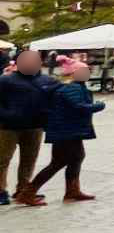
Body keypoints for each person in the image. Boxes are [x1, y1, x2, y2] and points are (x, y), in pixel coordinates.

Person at [24, 57, 105, 203]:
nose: (87, 73)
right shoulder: (71, 87)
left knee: (77, 157)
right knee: (58, 162)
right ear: (73, 73)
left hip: (69, 129)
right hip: (65, 130)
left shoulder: (76, 86)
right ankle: (28, 192)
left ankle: (72, 191)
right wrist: (99, 105)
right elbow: (79, 106)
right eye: (83, 70)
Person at [0, 48, 59, 204]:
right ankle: (1, 191)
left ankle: (23, 190)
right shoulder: (6, 80)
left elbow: (56, 101)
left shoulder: (49, 81)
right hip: (8, 127)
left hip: (35, 127)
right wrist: (6, 115)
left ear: (40, 63)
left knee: (29, 160)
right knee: (3, 160)